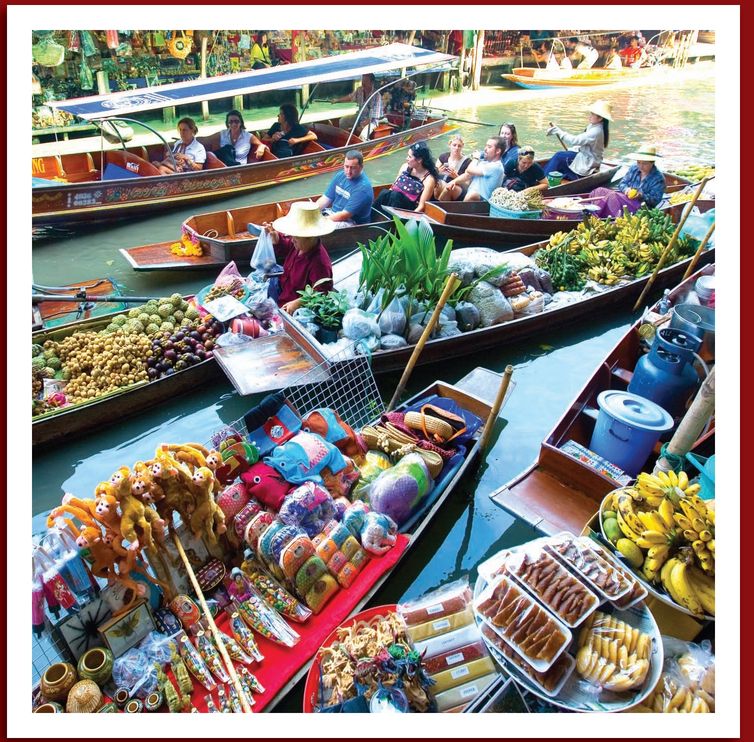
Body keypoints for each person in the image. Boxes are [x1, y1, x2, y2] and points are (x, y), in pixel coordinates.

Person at [262, 201, 335, 314]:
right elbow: (286, 246)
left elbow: (322, 293)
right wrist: (276, 238)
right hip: (282, 290)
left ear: (310, 237)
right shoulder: (299, 246)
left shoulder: (319, 263)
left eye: (296, 237)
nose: (292, 239)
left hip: (290, 306)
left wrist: (298, 302)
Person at [588, 144, 666, 218]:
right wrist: (626, 190)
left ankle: (597, 215)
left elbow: (655, 200)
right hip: (624, 198)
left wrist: (640, 196)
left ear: (652, 163)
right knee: (599, 191)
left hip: (640, 206)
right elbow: (622, 183)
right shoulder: (634, 168)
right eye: (639, 162)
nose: (641, 166)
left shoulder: (658, 178)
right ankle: (595, 212)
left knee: (613, 196)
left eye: (644, 164)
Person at [543, 99, 613, 181]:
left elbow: (575, 140)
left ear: (600, 118)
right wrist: (572, 150)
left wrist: (559, 132)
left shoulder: (596, 131)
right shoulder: (594, 126)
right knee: (562, 156)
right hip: (585, 156)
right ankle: (545, 177)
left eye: (592, 114)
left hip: (588, 161)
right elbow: (582, 143)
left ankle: (542, 180)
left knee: (559, 156)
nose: (589, 116)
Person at [374, 141, 439, 214]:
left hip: (408, 210)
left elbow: (421, 207)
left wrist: (409, 220)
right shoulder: (404, 167)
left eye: (410, 157)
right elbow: (393, 187)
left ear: (419, 160)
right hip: (394, 202)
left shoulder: (429, 180)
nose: (406, 158)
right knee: (385, 193)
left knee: (395, 195)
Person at [315, 150, 374, 227]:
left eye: (353, 168)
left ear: (361, 167)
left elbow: (345, 215)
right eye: (346, 166)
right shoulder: (340, 175)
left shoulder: (363, 188)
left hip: (352, 222)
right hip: (334, 213)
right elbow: (326, 199)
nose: (348, 171)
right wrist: (312, 211)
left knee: (318, 226)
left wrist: (321, 220)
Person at [437, 136, 505, 202]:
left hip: (481, 201)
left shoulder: (496, 167)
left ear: (498, 151)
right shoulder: (485, 162)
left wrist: (475, 158)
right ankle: (437, 207)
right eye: (486, 146)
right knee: (447, 187)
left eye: (489, 147)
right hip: (470, 194)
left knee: (472, 195)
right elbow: (468, 174)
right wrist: (453, 182)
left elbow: (469, 170)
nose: (485, 149)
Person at [331, 73, 384, 138]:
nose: (363, 83)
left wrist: (362, 126)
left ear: (371, 82)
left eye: (365, 81)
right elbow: (350, 97)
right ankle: (344, 140)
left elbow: (373, 117)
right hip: (359, 116)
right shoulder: (359, 90)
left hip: (371, 121)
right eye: (362, 80)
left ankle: (361, 147)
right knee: (342, 121)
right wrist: (337, 100)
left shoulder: (376, 96)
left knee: (363, 135)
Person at [434, 134, 472, 199]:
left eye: (459, 146)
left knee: (446, 186)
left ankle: (438, 204)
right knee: (438, 183)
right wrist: (439, 171)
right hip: (442, 184)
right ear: (449, 145)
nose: (456, 148)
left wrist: (456, 177)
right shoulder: (443, 157)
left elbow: (467, 185)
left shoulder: (467, 162)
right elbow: (433, 173)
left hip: (457, 188)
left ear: (462, 146)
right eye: (454, 145)